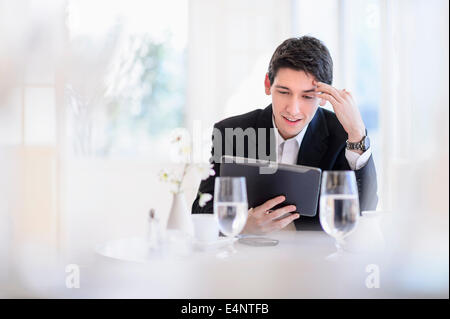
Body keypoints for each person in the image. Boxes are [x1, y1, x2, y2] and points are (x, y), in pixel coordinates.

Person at [191, 36, 377, 233]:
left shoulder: (344, 136)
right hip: (249, 256)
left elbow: (365, 212)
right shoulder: (231, 132)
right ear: (267, 84)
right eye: (284, 92)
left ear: (324, 97)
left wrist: (357, 134)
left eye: (307, 96)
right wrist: (243, 225)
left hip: (315, 259)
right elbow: (201, 212)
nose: (293, 109)